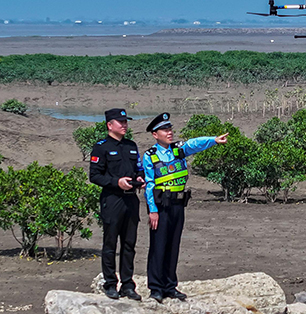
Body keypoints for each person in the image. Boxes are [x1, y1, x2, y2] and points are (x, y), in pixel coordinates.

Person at [141, 113, 228, 302]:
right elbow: (149, 185)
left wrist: (213, 140)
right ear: (155, 134)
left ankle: (170, 286)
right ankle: (156, 288)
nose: (170, 132)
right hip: (161, 206)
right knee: (158, 246)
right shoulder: (150, 156)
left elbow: (194, 144)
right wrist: (153, 210)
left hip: (178, 205)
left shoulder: (178, 150)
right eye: (165, 130)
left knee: (173, 246)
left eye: (170, 129)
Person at [89, 108, 143, 301]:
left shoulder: (131, 145)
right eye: (120, 122)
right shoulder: (101, 147)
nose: (124, 125)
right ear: (109, 125)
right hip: (112, 199)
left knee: (129, 244)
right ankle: (110, 283)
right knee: (110, 244)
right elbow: (94, 176)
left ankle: (127, 285)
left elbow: (138, 168)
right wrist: (116, 182)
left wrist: (139, 178)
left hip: (131, 199)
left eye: (125, 122)